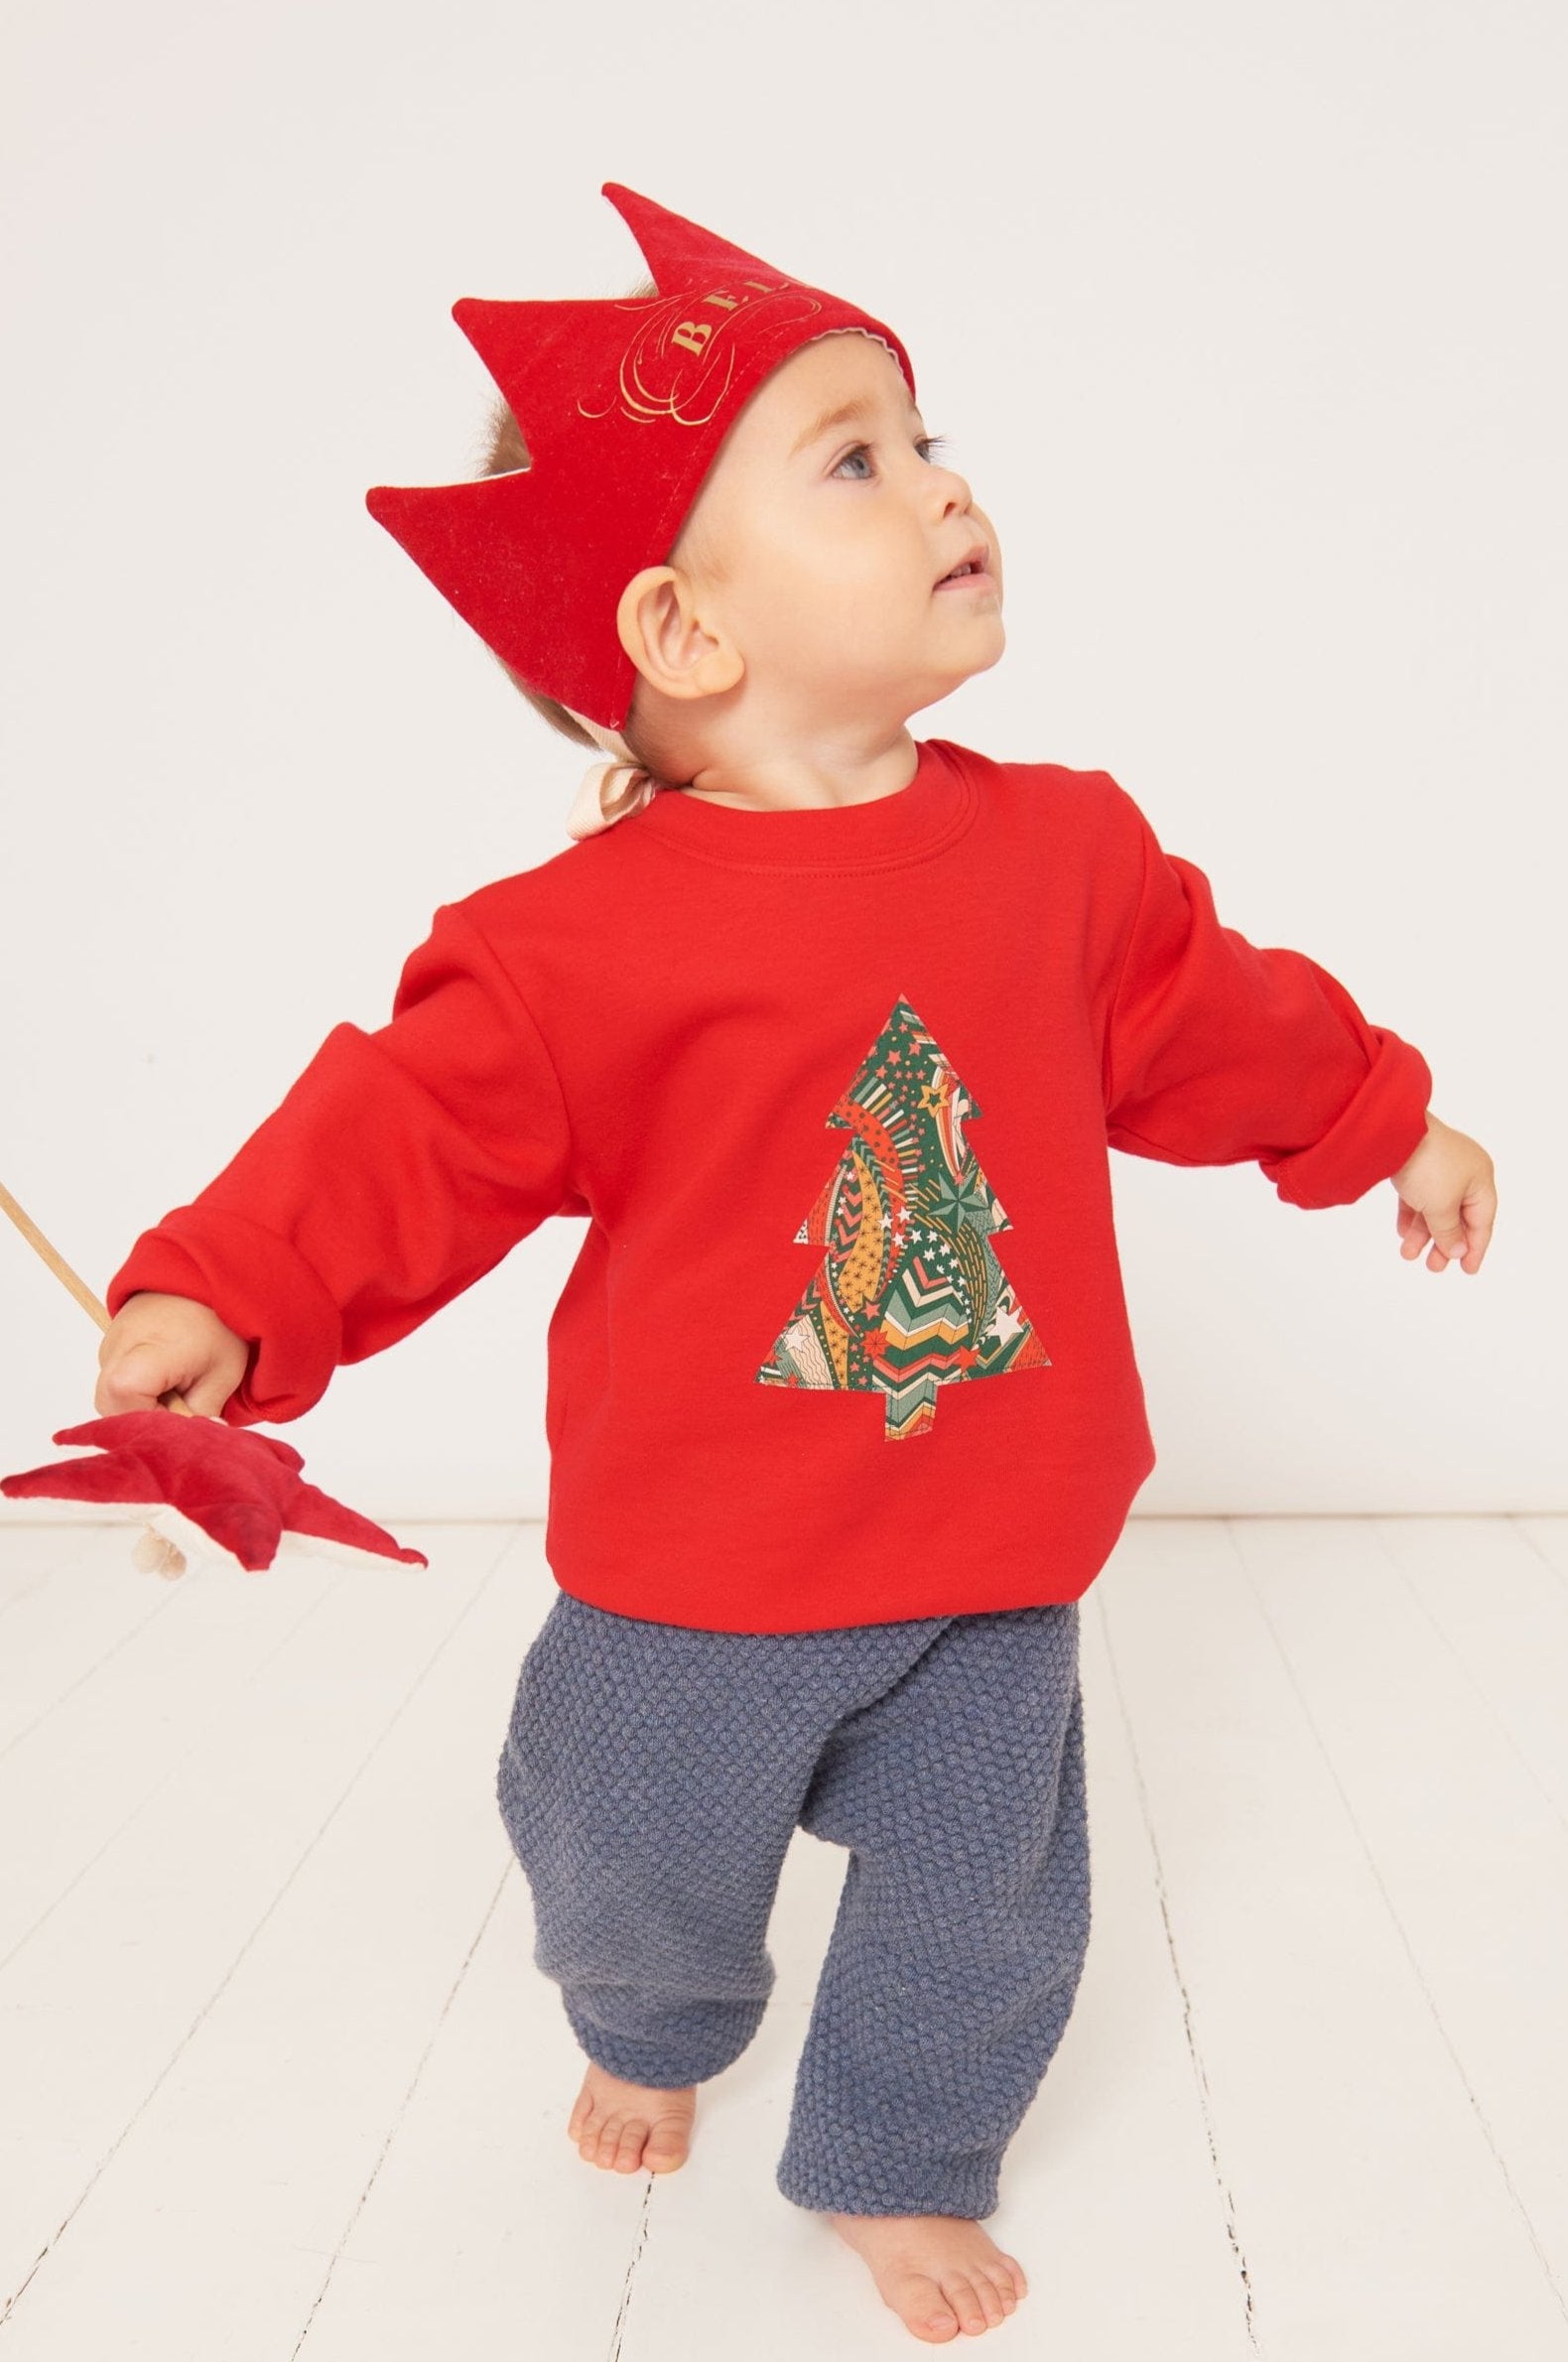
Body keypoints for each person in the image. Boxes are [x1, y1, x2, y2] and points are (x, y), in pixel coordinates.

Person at [90, 185, 1498, 2346]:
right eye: (854, 456)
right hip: (694, 1567)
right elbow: (403, 1132)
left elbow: (1223, 1020)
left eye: (929, 435)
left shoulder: (1066, 859)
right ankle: (648, 2023)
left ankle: (900, 2148)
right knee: (631, 1866)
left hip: (993, 1534)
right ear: (683, 632)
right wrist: (223, 1295)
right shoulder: (573, 946)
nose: (945, 483)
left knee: (981, 1902)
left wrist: (1379, 1116)